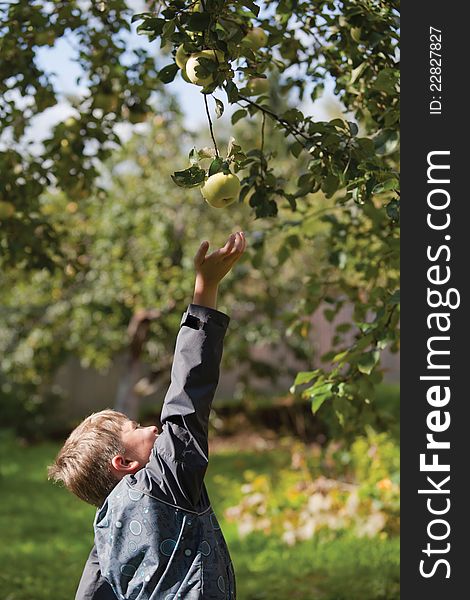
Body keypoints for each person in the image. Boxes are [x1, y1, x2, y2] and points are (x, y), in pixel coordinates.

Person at [48, 231, 247, 600]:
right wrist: (205, 289)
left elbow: (91, 593)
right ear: (124, 463)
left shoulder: (105, 530)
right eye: (136, 428)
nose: (154, 427)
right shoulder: (164, 481)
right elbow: (188, 398)